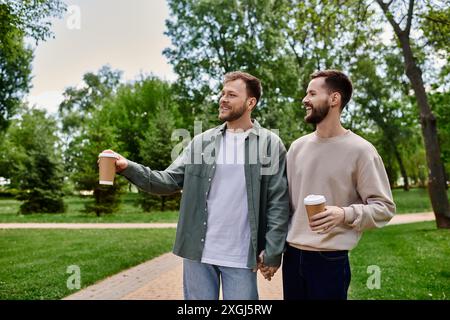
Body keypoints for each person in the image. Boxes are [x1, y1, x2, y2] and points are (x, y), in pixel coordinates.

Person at [101, 71, 289, 300]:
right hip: (198, 255)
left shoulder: (269, 144)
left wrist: (273, 251)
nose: (223, 99)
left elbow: (278, 201)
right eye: (222, 93)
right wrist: (126, 166)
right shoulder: (202, 142)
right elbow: (168, 181)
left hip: (240, 257)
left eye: (231, 94)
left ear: (251, 102)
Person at [283, 69, 396, 300]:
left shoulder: (361, 150)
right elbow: (283, 205)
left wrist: (343, 214)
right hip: (292, 257)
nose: (305, 100)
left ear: (334, 99)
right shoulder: (296, 147)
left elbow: (384, 208)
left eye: (312, 93)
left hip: (330, 259)